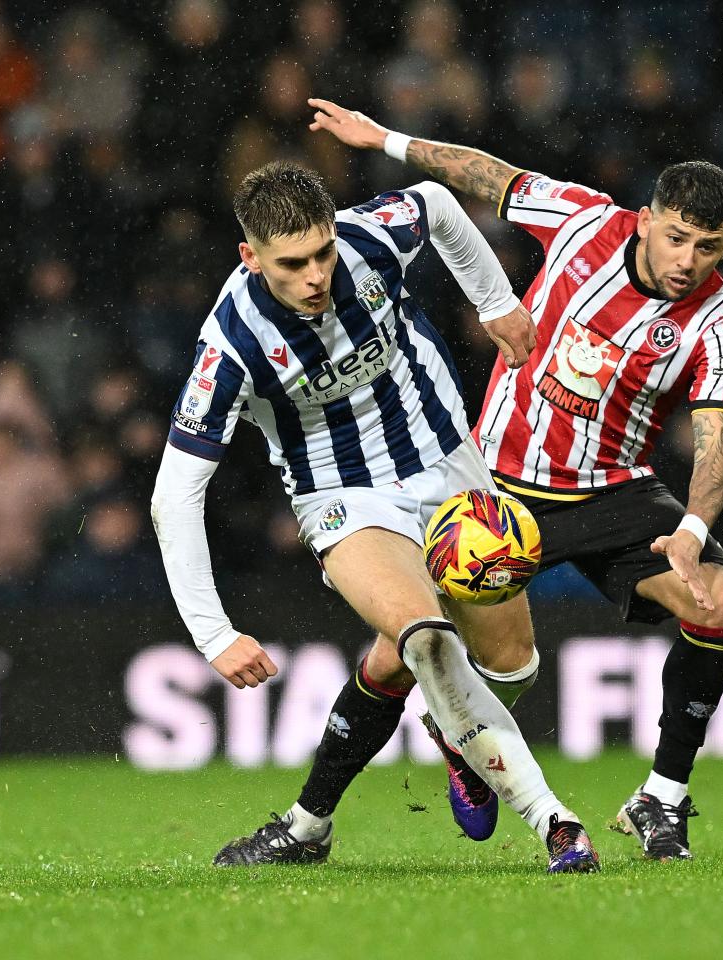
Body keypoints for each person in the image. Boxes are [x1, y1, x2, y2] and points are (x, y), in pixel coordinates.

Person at [309, 97, 723, 862]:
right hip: (498, 485)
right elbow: (488, 175)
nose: (687, 259)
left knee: (719, 599)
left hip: (616, 493)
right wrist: (384, 138)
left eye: (707, 247)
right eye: (677, 236)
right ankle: (309, 819)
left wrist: (692, 531)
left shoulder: (722, 324)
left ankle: (662, 799)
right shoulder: (583, 220)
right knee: (400, 650)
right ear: (647, 218)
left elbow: (719, 440)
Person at [150, 160, 599, 873]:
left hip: (451, 466)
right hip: (345, 497)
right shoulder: (231, 343)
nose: (316, 275)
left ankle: (353, 797)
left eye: (323, 253)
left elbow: (439, 203)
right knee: (425, 639)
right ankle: (557, 824)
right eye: (292, 263)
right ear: (250, 257)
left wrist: (494, 301)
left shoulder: (370, 238)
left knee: (511, 666)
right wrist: (213, 633)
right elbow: (175, 491)